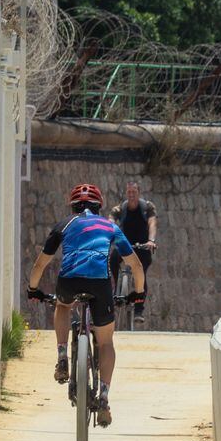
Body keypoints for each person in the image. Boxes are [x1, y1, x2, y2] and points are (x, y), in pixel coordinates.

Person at [27, 183, 145, 427]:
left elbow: (40, 264)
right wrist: (138, 294)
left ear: (73, 206)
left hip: (68, 281)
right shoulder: (110, 226)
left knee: (62, 306)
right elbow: (136, 266)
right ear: (99, 206)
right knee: (105, 342)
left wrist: (33, 289)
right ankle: (103, 397)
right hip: (100, 284)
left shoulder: (64, 225)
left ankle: (62, 357)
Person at [108, 181, 158, 323]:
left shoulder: (147, 207)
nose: (131, 195)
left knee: (141, 274)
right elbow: (111, 219)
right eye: (129, 192)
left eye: (134, 192)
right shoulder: (120, 208)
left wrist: (151, 241)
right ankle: (116, 290)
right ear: (126, 193)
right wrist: (111, 228)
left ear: (139, 192)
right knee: (113, 259)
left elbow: (152, 223)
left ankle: (138, 308)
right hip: (125, 245)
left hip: (143, 246)